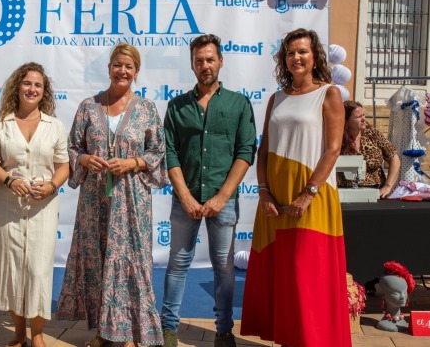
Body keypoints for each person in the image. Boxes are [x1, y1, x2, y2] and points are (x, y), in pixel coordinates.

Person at [240, 28, 351, 347]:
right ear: (283, 59)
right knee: (284, 277)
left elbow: (332, 149)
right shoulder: (277, 97)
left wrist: (308, 193)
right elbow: (264, 149)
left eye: (302, 51)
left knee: (308, 277)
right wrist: (263, 191)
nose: (296, 57)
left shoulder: (329, 93)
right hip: (275, 200)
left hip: (312, 197)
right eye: (290, 52)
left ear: (315, 56)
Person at [56, 43, 168, 347]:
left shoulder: (146, 109)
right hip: (94, 200)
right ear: (109, 68)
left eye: (129, 67)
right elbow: (72, 147)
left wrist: (133, 162)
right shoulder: (88, 107)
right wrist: (83, 160)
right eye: (118, 65)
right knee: (100, 260)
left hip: (131, 201)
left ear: (136, 71)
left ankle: (133, 332)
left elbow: (158, 152)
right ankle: (104, 332)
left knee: (131, 260)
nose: (123, 71)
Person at [161, 34, 257, 347]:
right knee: (177, 265)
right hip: (184, 200)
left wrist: (221, 197)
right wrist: (186, 197)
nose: (205, 65)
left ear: (220, 61)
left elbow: (245, 152)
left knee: (224, 268)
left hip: (223, 201)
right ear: (192, 64)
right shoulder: (177, 107)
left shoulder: (238, 104)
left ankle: (224, 331)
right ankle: (169, 330)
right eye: (199, 60)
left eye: (210, 59)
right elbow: (170, 153)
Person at [0, 62, 69, 347]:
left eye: (38, 85)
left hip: (43, 208)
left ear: (44, 92)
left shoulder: (55, 126)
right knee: (12, 269)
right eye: (27, 83)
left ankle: (38, 335)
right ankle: (19, 334)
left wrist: (52, 185)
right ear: (17, 87)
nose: (32, 89)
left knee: (38, 270)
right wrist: (8, 180)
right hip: (6, 207)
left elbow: (64, 166)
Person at [339, 100, 400, 198]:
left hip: (376, 192)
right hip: (343, 192)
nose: (363, 119)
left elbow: (394, 158)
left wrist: (388, 186)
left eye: (364, 115)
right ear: (346, 121)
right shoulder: (337, 138)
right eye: (359, 117)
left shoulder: (372, 134)